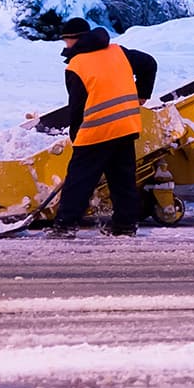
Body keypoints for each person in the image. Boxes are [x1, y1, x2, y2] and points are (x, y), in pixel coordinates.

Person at [49, 17, 157, 238]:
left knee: (79, 180)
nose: (65, 45)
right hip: (125, 125)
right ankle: (125, 225)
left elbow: (77, 107)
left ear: (73, 40)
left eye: (66, 40)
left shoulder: (76, 66)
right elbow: (149, 63)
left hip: (96, 129)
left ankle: (65, 225)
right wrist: (143, 93)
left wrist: (76, 137)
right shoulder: (118, 52)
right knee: (123, 179)